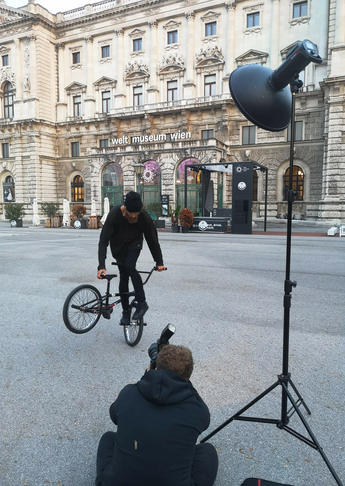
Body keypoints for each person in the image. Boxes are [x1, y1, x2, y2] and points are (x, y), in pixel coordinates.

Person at [95, 344, 218, 486]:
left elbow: (114, 415)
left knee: (108, 437)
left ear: (156, 368)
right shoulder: (197, 409)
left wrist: (146, 378)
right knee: (207, 451)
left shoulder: (128, 393)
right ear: (188, 376)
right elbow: (204, 423)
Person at [97, 191, 165, 324]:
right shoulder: (114, 214)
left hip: (135, 244)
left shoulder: (143, 216)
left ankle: (142, 303)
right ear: (125, 209)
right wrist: (101, 265)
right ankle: (125, 313)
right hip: (118, 248)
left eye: (136, 213)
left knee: (130, 266)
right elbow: (103, 240)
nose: (134, 215)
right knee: (123, 277)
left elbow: (152, 239)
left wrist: (159, 261)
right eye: (131, 213)